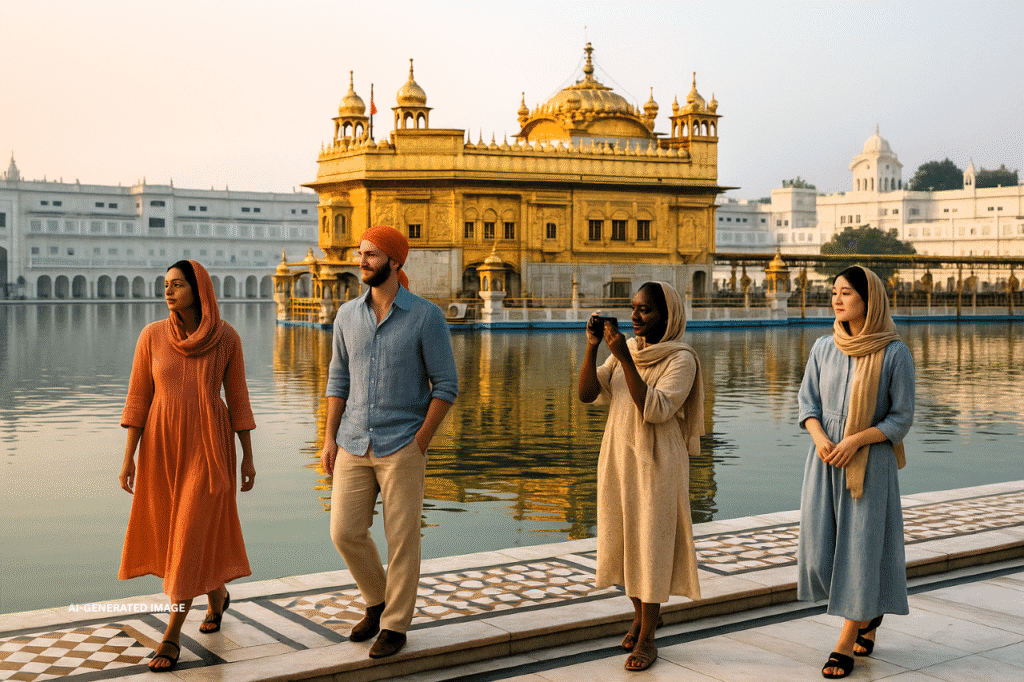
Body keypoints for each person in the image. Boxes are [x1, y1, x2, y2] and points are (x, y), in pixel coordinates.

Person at [321, 225, 458, 659]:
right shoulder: (346, 315)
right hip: (352, 442)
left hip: (402, 443)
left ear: (396, 263)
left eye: (372, 255)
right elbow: (337, 381)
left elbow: (447, 385)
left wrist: (421, 441)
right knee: (344, 532)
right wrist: (328, 439)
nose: (362, 261)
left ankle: (395, 625)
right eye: (361, 253)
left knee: (402, 539)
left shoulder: (425, 316)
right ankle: (378, 601)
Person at [118, 260, 256, 673]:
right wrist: (128, 457)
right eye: (166, 285)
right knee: (185, 533)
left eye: (177, 284)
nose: (169, 291)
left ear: (199, 289)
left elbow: (239, 400)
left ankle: (172, 634)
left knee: (191, 531)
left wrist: (249, 455)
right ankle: (217, 596)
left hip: (209, 446)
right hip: (161, 447)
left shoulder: (227, 338)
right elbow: (138, 398)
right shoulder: (152, 336)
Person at [577, 281, 703, 672]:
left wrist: (625, 362)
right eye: (633, 308)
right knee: (622, 539)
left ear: (667, 316)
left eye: (645, 310)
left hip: (658, 460)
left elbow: (656, 409)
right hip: (618, 455)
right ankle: (641, 616)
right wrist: (592, 347)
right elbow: (585, 394)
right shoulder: (624, 350)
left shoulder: (682, 359)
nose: (635, 316)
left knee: (652, 542)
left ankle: (648, 636)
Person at [797, 265, 915, 679]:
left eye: (846, 292)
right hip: (825, 458)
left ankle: (846, 640)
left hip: (868, 463)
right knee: (818, 550)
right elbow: (807, 403)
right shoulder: (823, 348)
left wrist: (855, 441)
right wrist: (820, 437)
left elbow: (900, 420)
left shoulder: (895, 352)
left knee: (860, 551)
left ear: (871, 300)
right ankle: (869, 613)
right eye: (834, 292)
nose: (837, 299)